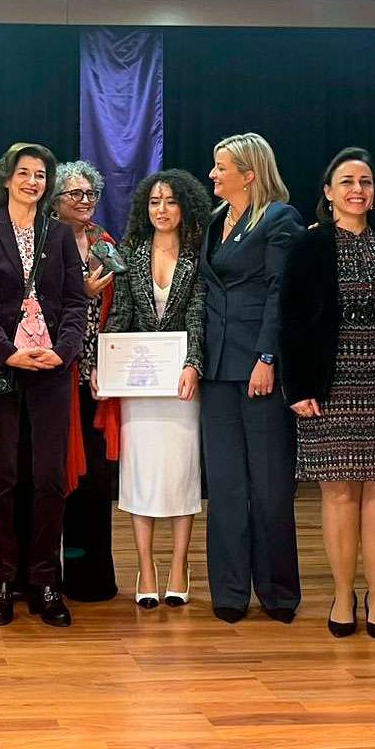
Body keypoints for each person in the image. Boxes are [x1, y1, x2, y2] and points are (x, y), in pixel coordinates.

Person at [280, 147, 375, 641]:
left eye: (366, 181)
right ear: (328, 192)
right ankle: (342, 595)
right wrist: (296, 386)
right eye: (348, 182)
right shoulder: (307, 245)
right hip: (327, 376)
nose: (358, 190)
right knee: (337, 492)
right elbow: (290, 319)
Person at [0, 142, 87, 628]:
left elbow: (76, 303)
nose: (33, 181)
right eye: (25, 172)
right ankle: (3, 580)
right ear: (7, 177)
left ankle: (45, 581)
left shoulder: (59, 235)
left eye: (41, 175)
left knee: (50, 480)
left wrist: (63, 350)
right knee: (3, 480)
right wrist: (7, 351)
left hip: (53, 371)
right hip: (3, 369)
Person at [198, 133, 304, 624]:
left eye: (222, 168)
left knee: (269, 483)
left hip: (258, 366)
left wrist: (267, 356)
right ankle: (229, 591)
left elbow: (282, 293)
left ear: (250, 173)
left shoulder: (280, 218)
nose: (214, 175)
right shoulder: (216, 220)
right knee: (223, 484)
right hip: (218, 370)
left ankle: (279, 593)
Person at [100, 169, 211, 609]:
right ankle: (146, 568)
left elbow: (199, 314)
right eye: (154, 202)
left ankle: (180, 566)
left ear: (185, 206)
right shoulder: (130, 253)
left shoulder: (200, 253)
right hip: (138, 385)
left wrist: (193, 364)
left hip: (183, 382)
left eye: (170, 201)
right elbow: (120, 315)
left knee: (181, 478)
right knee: (140, 478)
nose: (161, 210)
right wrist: (102, 365)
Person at [50, 159, 119, 603]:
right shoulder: (41, 240)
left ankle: (89, 575)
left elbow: (125, 304)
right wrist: (82, 291)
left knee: (93, 485)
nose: (84, 202)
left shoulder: (106, 244)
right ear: (55, 201)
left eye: (90, 194)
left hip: (96, 378)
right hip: (51, 374)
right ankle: (41, 575)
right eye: (75, 194)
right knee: (49, 481)